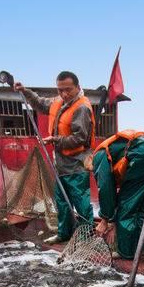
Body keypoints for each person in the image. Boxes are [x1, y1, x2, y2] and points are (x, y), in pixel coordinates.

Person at [14, 72, 95, 243]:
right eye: (60, 90)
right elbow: (40, 103)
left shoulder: (82, 107)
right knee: (62, 202)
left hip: (77, 163)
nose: (64, 94)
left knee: (80, 202)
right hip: (61, 165)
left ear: (78, 87)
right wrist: (25, 92)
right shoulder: (58, 102)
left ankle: (86, 237)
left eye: (68, 90)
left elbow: (80, 138)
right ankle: (64, 233)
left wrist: (55, 139)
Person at [86, 130, 144, 259]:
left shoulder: (99, 155)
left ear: (91, 158)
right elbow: (115, 193)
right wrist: (113, 221)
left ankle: (127, 253)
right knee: (143, 207)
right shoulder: (118, 149)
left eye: (91, 169)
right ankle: (140, 250)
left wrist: (104, 220)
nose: (94, 172)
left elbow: (105, 188)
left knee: (127, 208)